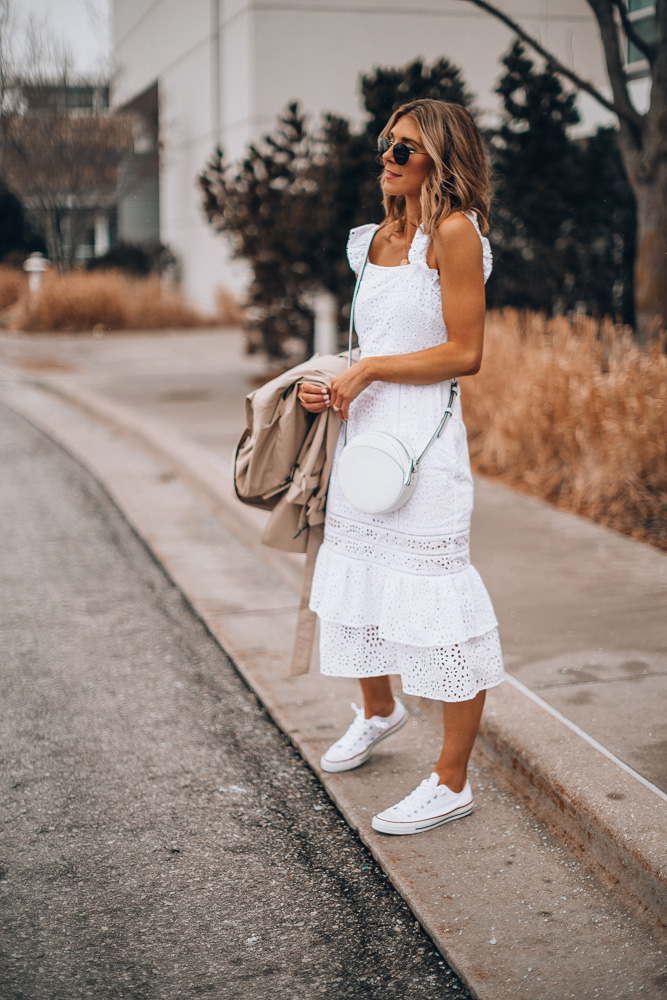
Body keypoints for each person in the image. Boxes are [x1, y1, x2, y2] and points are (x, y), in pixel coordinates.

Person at [298, 98, 505, 836]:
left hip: (423, 443)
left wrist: (371, 370)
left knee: (437, 599)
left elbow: (463, 354)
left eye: (403, 150)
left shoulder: (453, 233)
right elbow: (373, 346)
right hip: (364, 437)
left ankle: (450, 781)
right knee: (358, 576)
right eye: (385, 145)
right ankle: (378, 710)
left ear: (438, 160)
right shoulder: (377, 239)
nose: (386, 157)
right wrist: (337, 379)